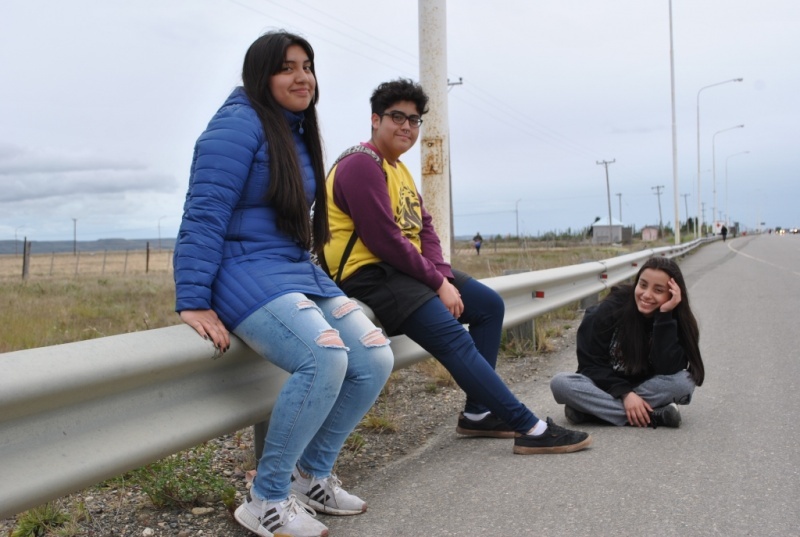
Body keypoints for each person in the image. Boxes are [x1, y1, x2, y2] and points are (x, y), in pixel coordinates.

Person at [173, 31, 393, 537]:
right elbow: (204, 214)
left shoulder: (292, 128)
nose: (302, 78)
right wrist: (193, 298)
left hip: (290, 265)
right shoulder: (234, 127)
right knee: (324, 357)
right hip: (241, 269)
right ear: (261, 75)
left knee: (374, 356)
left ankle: (310, 476)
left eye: (308, 66)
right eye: (287, 67)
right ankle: (266, 498)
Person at [322, 78, 591, 455]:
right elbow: (384, 240)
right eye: (397, 117)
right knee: (454, 337)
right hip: (368, 274)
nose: (406, 127)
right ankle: (529, 427)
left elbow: (424, 227)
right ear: (374, 119)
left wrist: (444, 278)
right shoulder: (360, 165)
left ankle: (480, 413)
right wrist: (436, 283)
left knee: (488, 305)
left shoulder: (397, 168)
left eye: (414, 120)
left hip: (402, 269)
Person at [550, 256, 704, 428]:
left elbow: (668, 369)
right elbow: (590, 365)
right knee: (561, 383)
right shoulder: (611, 308)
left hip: (648, 387)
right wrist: (626, 394)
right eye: (643, 285)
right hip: (607, 386)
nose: (646, 295)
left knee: (684, 382)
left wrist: (664, 317)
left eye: (658, 290)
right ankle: (654, 416)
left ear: (672, 295)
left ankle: (591, 411)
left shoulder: (677, 321)